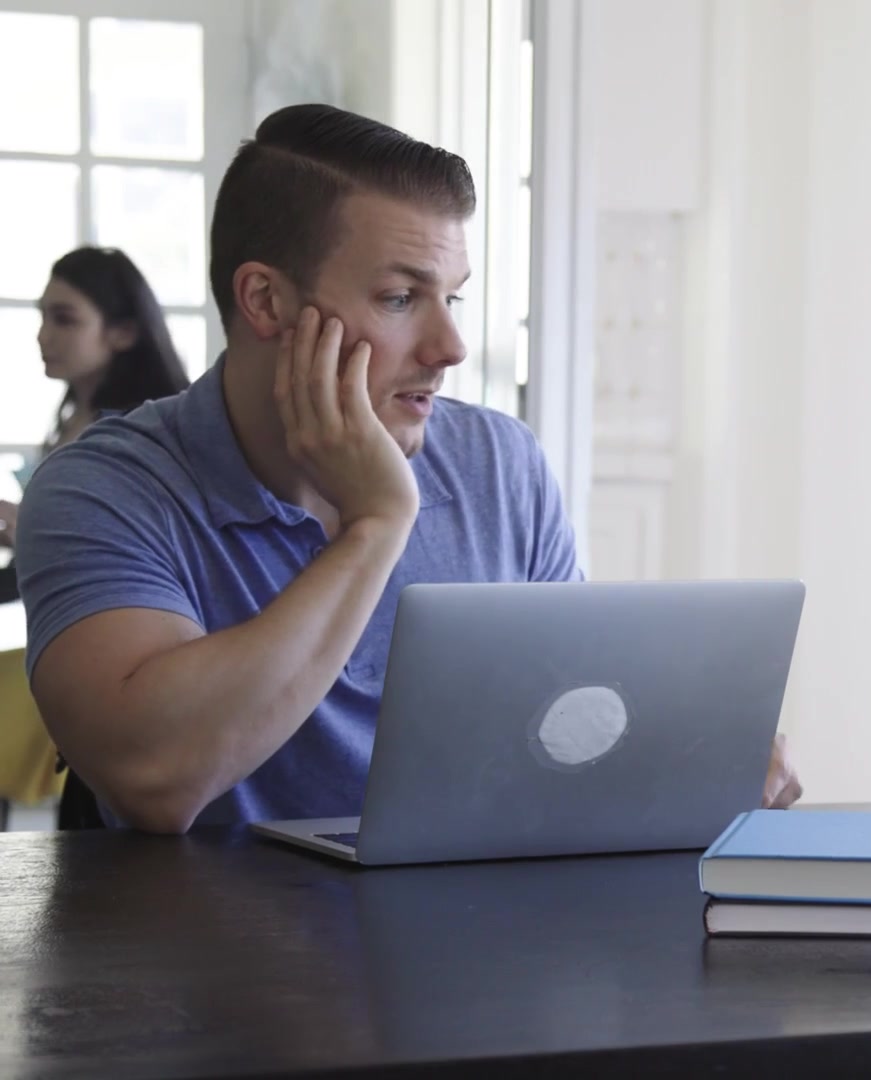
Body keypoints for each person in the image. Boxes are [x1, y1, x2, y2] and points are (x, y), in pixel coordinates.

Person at [13, 104, 802, 833]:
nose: (449, 347)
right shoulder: (102, 491)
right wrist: (377, 524)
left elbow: (570, 721)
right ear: (265, 301)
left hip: (469, 931)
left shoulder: (501, 464)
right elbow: (155, 780)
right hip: (208, 939)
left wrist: (691, 750)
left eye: (452, 299)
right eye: (400, 298)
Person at [0, 248, 191, 604]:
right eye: (43, 316)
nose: (42, 336)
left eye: (64, 319)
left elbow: (126, 559)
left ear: (124, 332)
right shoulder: (74, 418)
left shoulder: (140, 436)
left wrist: (29, 534)